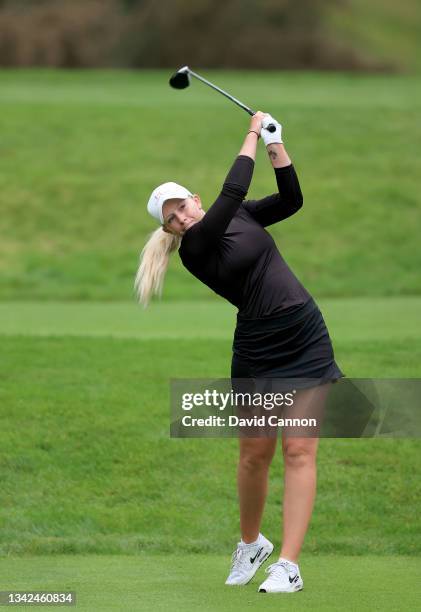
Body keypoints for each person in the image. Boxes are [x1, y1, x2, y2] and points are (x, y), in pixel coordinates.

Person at [135, 112, 343, 593]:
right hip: (256, 351)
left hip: (305, 338)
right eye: (172, 218)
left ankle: (288, 564)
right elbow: (231, 194)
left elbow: (292, 200)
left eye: (182, 205)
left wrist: (276, 146)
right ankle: (251, 543)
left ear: (194, 198)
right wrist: (251, 130)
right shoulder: (196, 249)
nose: (182, 216)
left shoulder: (242, 215)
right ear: (171, 230)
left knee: (299, 449)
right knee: (253, 455)